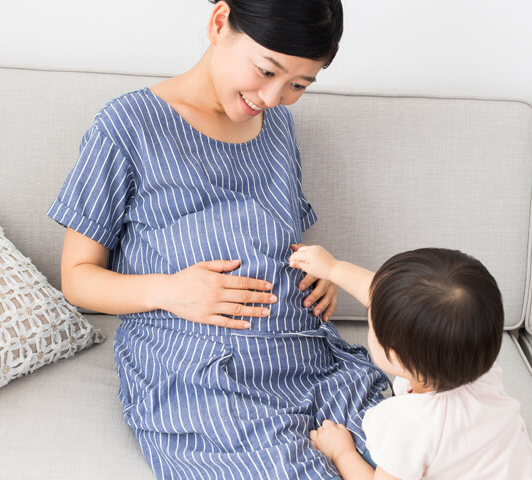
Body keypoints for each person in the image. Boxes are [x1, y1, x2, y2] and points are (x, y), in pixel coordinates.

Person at [47, 1, 389, 478]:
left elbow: (279, 232)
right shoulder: (127, 126)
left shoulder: (278, 125)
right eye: (266, 70)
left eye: (298, 85)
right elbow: (76, 279)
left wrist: (319, 272)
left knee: (412, 453)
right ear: (218, 22)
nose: (272, 96)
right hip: (198, 368)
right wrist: (169, 290)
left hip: (302, 349)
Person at [289, 246, 532, 480]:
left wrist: (342, 452)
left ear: (393, 355)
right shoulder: (478, 365)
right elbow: (383, 297)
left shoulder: (410, 425)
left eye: (372, 321)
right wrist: (334, 268)